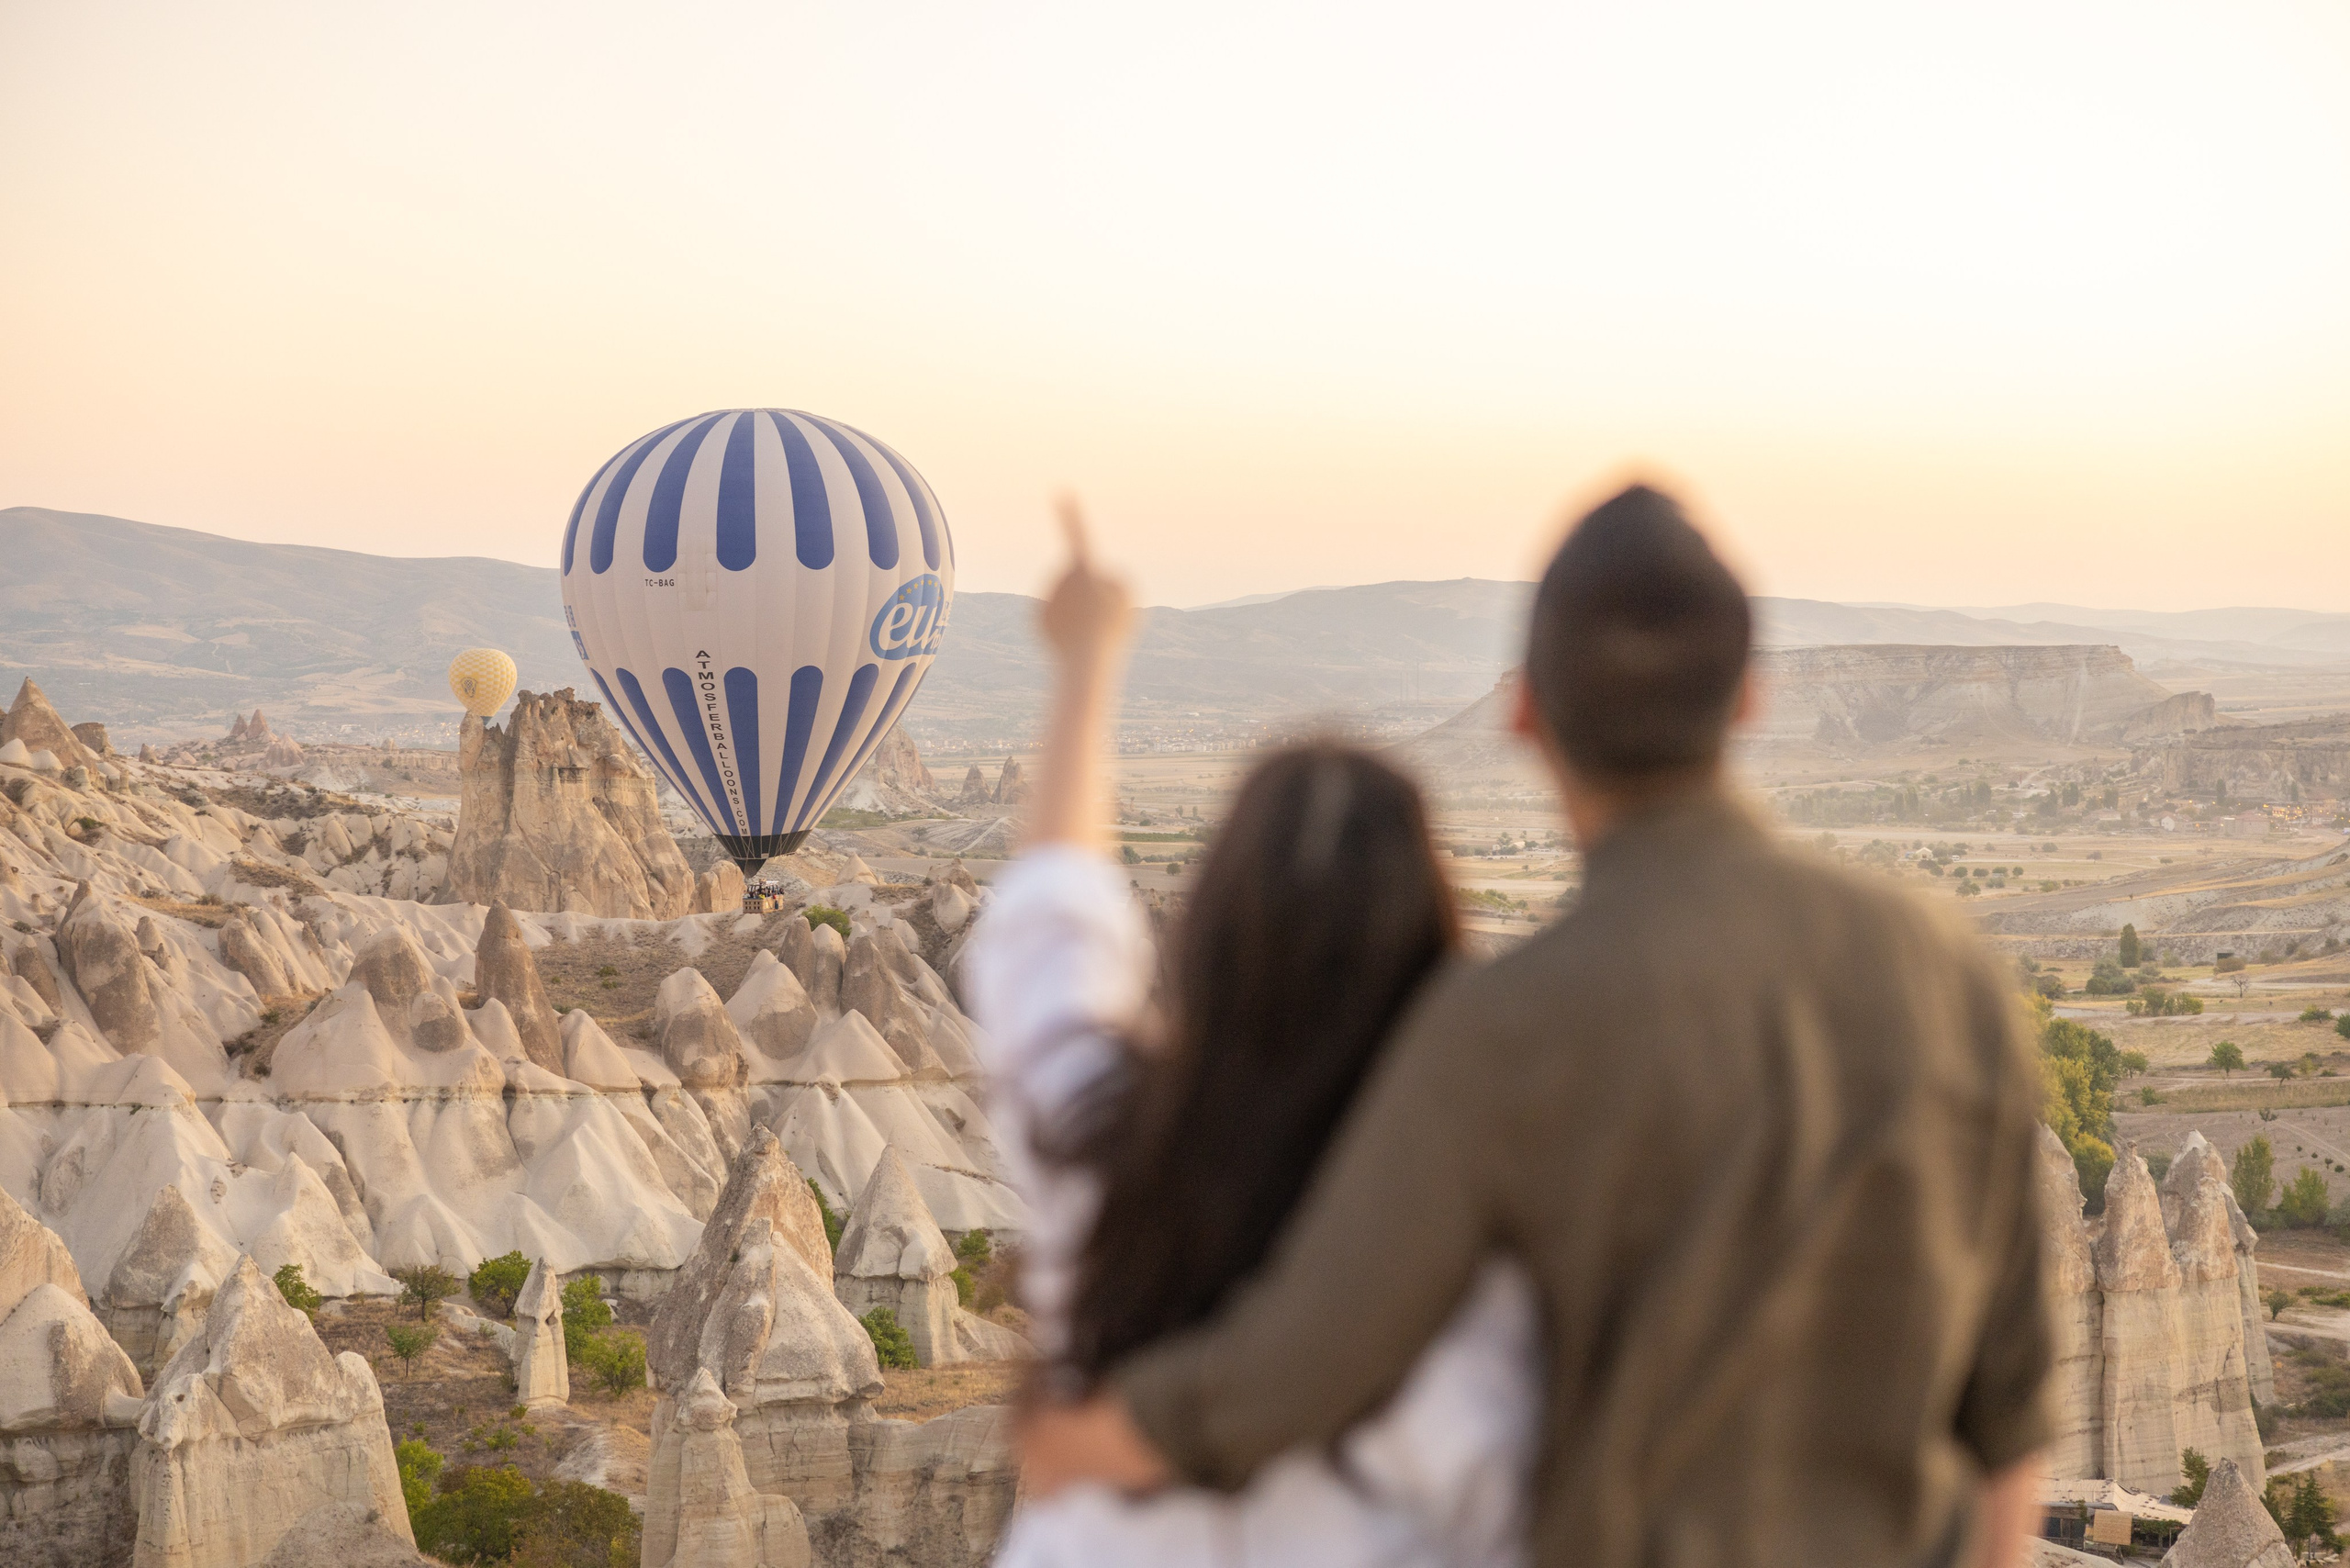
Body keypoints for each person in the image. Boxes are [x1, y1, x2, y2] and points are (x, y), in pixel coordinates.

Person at [1020, 485, 2053, 1568]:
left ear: (1524, 713)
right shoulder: (1952, 970)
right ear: (1749, 696)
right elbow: (2007, 1415)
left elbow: (1299, 1359)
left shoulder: (1505, 1028)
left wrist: (1085, 1435)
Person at [961, 504, 1542, 1568]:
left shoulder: (1106, 1159)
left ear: (1210, 934)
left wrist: (1088, 663)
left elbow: (1052, 920)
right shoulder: (1484, 1290)